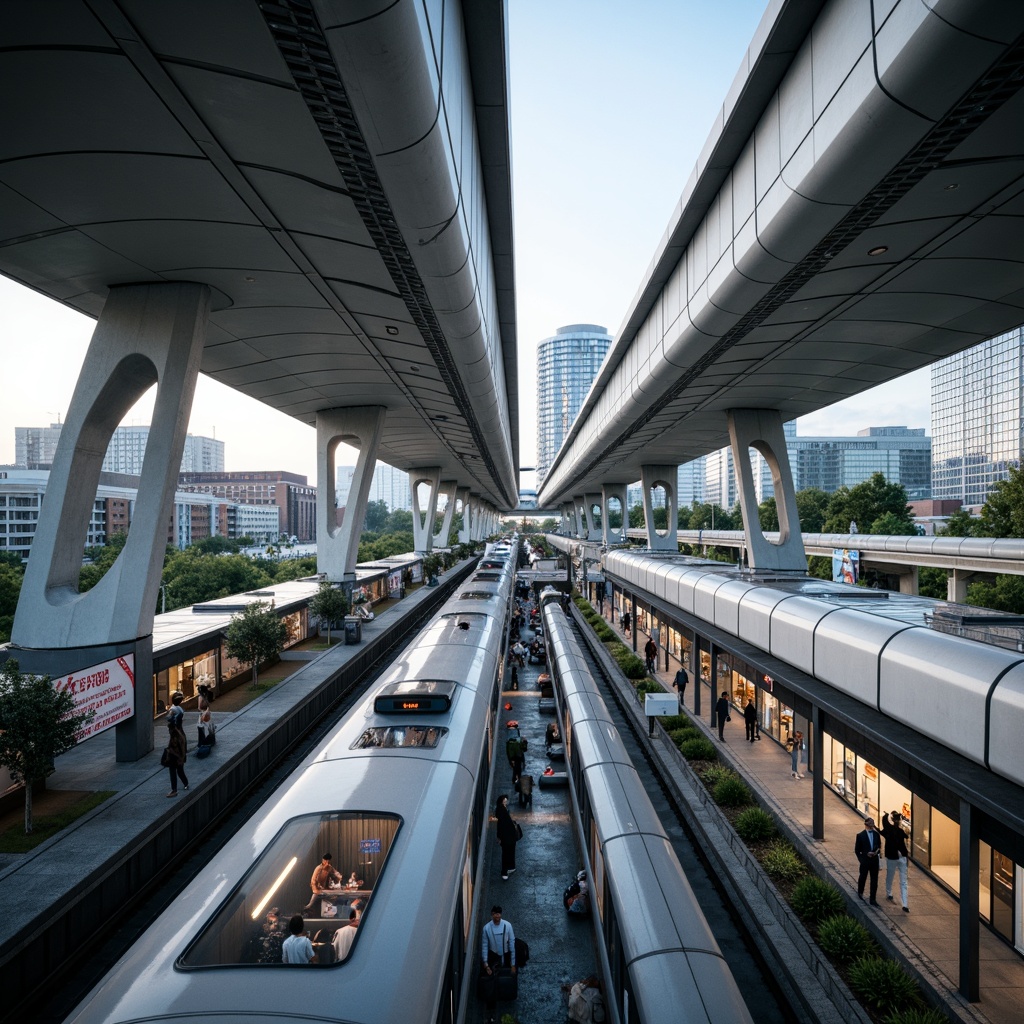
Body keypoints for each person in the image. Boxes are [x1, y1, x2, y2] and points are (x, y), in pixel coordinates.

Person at [480, 905, 517, 1023]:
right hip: (493, 956)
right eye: (495, 914)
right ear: (492, 914)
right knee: (492, 980)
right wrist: (486, 964)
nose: (498, 916)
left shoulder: (507, 926)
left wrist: (513, 963)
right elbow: (485, 946)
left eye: (499, 914)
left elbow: (512, 943)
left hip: (505, 956)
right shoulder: (486, 928)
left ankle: (503, 994)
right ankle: (492, 1007)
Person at [881, 810, 910, 912]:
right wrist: (887, 815)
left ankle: (903, 902)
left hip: (897, 857)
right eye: (897, 819)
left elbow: (884, 822)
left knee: (894, 877)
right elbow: (884, 821)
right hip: (897, 857)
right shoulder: (893, 830)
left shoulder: (895, 830)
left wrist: (887, 815)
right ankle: (902, 902)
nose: (898, 821)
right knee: (898, 879)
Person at [855, 817, 881, 905]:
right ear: (866, 825)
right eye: (870, 825)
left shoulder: (876, 835)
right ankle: (860, 892)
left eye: (872, 825)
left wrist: (876, 852)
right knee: (863, 877)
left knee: (874, 879)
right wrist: (862, 859)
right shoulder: (860, 835)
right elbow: (857, 850)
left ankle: (872, 898)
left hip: (874, 860)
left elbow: (879, 846)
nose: (872, 827)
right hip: (865, 861)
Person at [163, 718, 188, 797]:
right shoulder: (180, 735)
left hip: (175, 758)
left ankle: (174, 790)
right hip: (179, 758)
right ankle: (185, 783)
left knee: (173, 773)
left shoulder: (175, 737)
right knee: (180, 772)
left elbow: (175, 748)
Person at [495, 794, 518, 880]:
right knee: (506, 854)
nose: (506, 802)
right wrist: (499, 837)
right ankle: (505, 871)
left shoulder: (503, 810)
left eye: (506, 801)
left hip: (508, 836)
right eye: (504, 801)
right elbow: (500, 826)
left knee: (508, 852)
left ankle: (510, 868)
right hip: (507, 837)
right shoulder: (502, 811)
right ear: (501, 802)